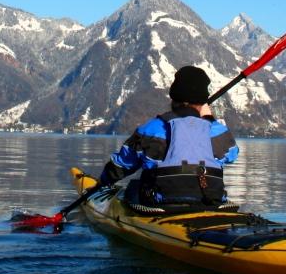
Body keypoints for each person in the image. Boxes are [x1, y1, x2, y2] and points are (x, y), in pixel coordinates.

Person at [99, 65, 239, 213]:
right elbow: (232, 154)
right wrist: (209, 119)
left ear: (174, 98)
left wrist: (103, 182)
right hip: (209, 200)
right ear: (203, 102)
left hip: (159, 204)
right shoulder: (217, 131)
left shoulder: (151, 129)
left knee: (134, 186)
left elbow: (121, 165)